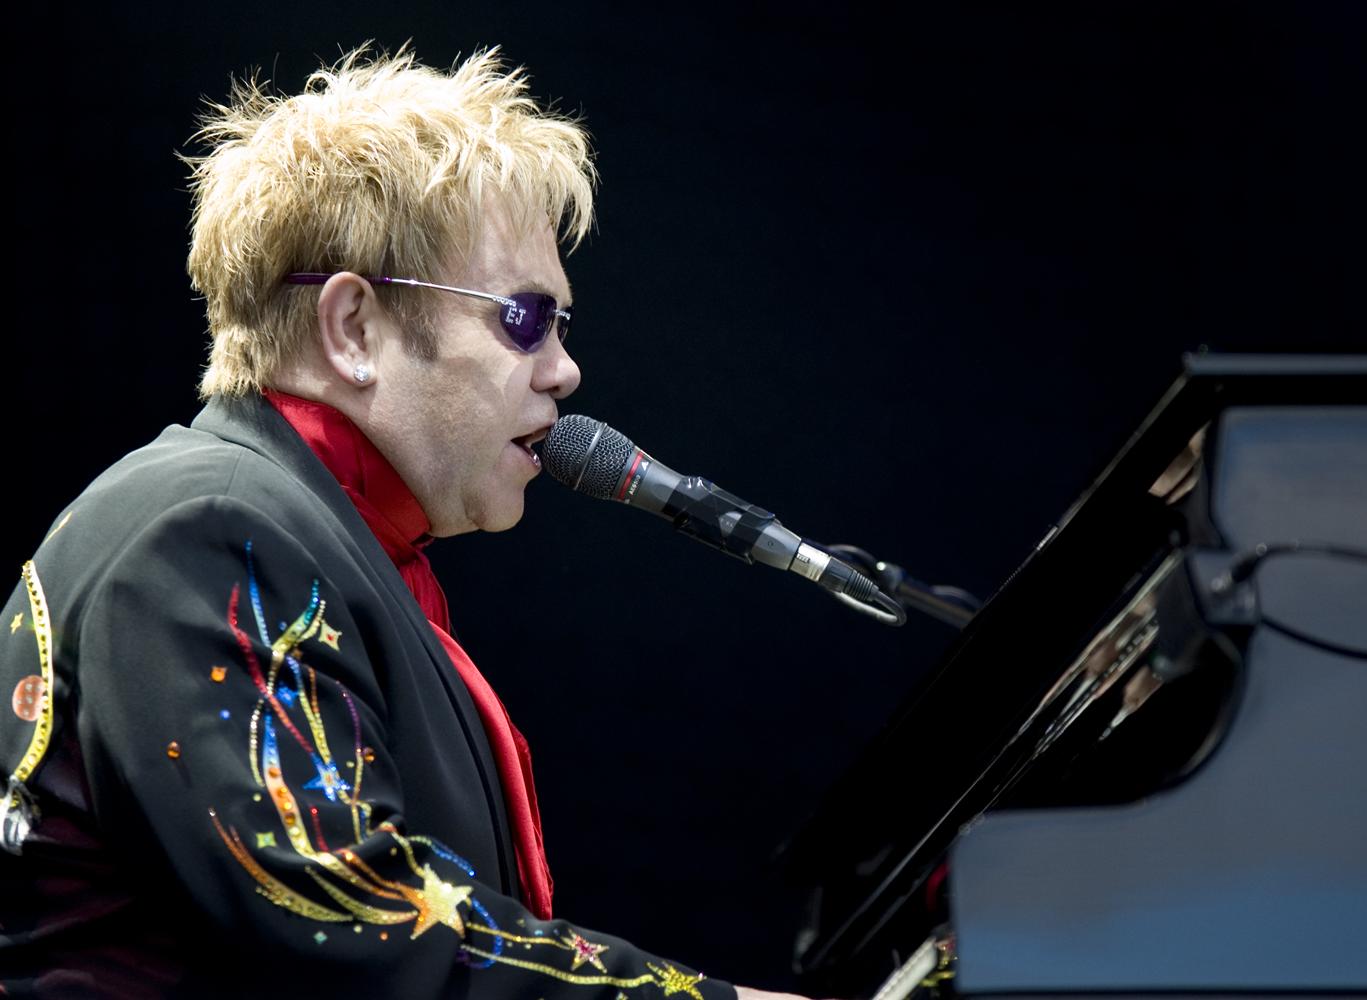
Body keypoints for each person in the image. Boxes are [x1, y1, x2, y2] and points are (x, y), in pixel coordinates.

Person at [0, 45, 803, 1000]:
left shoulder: (312, 540)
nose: (562, 369)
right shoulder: (206, 533)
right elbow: (364, 927)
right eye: (523, 318)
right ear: (354, 330)